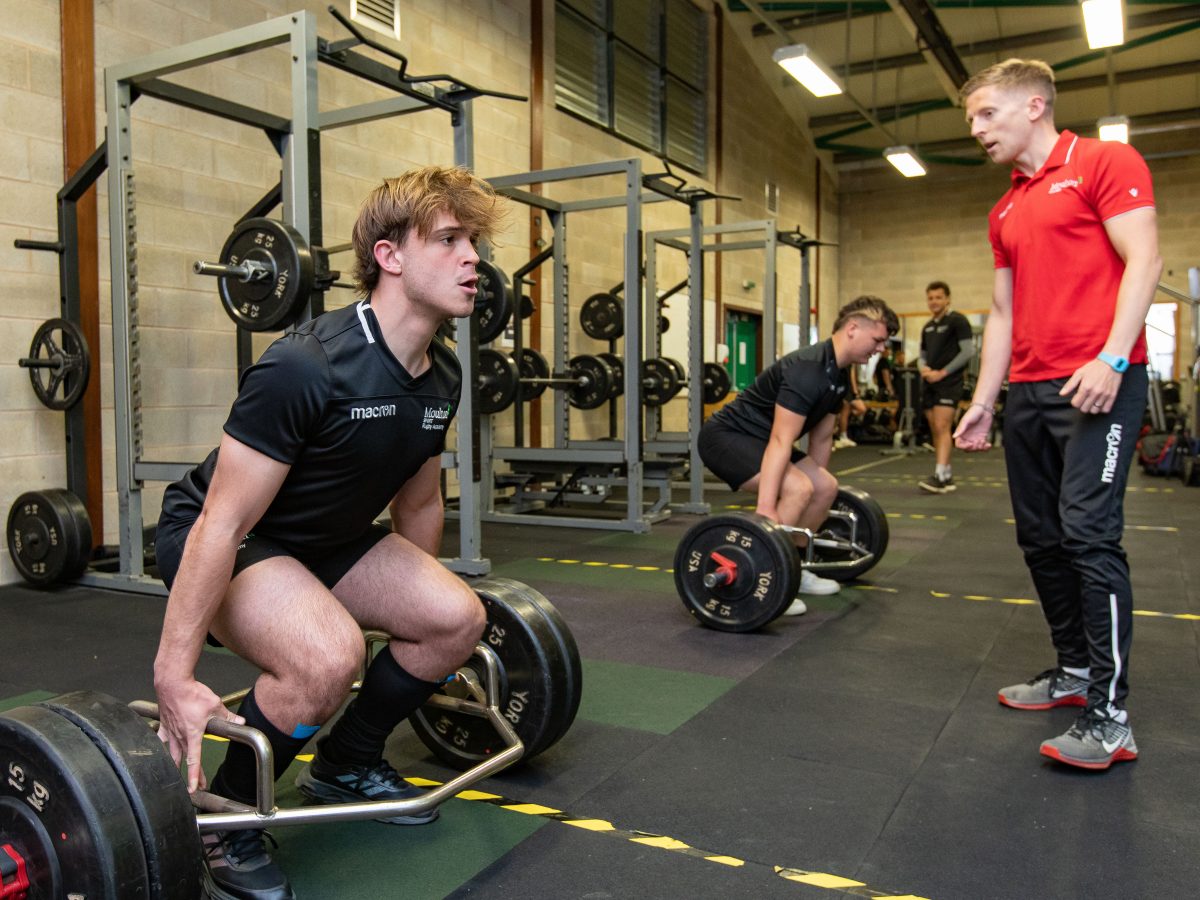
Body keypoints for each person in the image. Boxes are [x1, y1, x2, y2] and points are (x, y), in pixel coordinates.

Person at [153, 166, 505, 899]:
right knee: (326, 658)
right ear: (389, 255)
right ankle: (223, 813)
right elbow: (224, 519)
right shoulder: (306, 364)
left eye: (474, 240)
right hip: (227, 536)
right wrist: (175, 677)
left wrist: (409, 608)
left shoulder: (442, 375)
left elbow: (416, 506)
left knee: (456, 618)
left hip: (332, 537)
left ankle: (347, 759)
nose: (474, 258)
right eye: (450, 239)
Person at [954, 59, 1161, 770]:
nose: (976, 130)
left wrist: (1111, 358)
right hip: (1031, 390)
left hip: (1100, 381)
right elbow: (1004, 312)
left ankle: (1110, 717)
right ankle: (1073, 671)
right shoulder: (1006, 207)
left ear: (1034, 104)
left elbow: (1145, 259)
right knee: (1040, 539)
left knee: (1088, 536)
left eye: (986, 114)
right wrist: (984, 400)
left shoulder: (1103, 161)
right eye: (971, 119)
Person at [698, 296, 898, 616]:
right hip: (727, 438)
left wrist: (814, 487)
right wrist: (767, 509)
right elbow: (781, 439)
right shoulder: (808, 368)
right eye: (877, 340)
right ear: (852, 328)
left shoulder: (839, 374)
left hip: (761, 441)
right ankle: (772, 577)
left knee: (825, 487)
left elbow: (821, 437)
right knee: (797, 488)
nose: (880, 349)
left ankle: (794, 568)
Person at [918, 281, 973, 493]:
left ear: (947, 299)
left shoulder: (958, 321)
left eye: (938, 297)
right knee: (935, 428)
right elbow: (922, 357)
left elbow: (967, 352)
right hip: (930, 382)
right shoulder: (927, 327)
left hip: (949, 382)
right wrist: (924, 370)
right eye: (931, 298)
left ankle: (940, 476)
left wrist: (943, 372)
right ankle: (947, 474)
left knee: (943, 426)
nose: (934, 302)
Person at [833, 366, 865, 449]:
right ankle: (836, 437)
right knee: (837, 414)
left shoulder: (851, 363)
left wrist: (855, 391)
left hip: (848, 389)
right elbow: (851, 376)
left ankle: (841, 435)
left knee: (847, 413)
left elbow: (852, 375)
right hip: (842, 388)